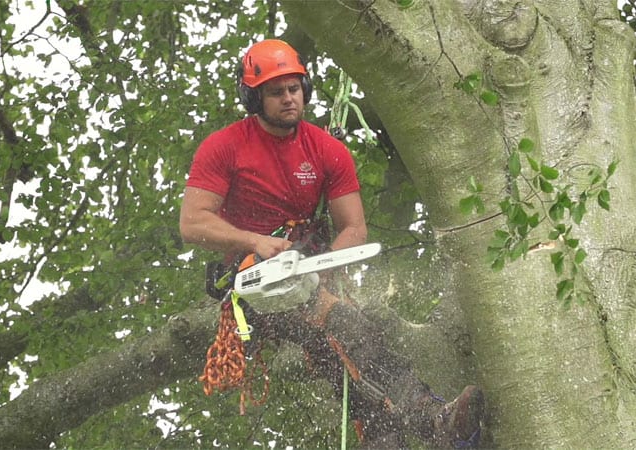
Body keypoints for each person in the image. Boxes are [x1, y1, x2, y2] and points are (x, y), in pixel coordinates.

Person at [180, 39, 489, 449]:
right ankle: (434, 418)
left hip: (308, 273)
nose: (288, 99)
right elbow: (193, 222)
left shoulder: (327, 151)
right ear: (254, 97)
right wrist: (256, 241)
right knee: (343, 323)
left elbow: (354, 229)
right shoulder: (224, 147)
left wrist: (322, 268)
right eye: (276, 92)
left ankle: (386, 439)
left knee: (346, 361)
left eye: (294, 89)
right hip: (250, 284)